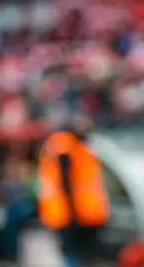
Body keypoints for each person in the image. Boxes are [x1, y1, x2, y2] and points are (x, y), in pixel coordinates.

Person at [37, 114, 109, 267]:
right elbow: (65, 180)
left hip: (78, 212)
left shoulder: (73, 144)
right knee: (74, 253)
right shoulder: (64, 144)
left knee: (78, 253)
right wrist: (73, 212)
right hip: (70, 213)